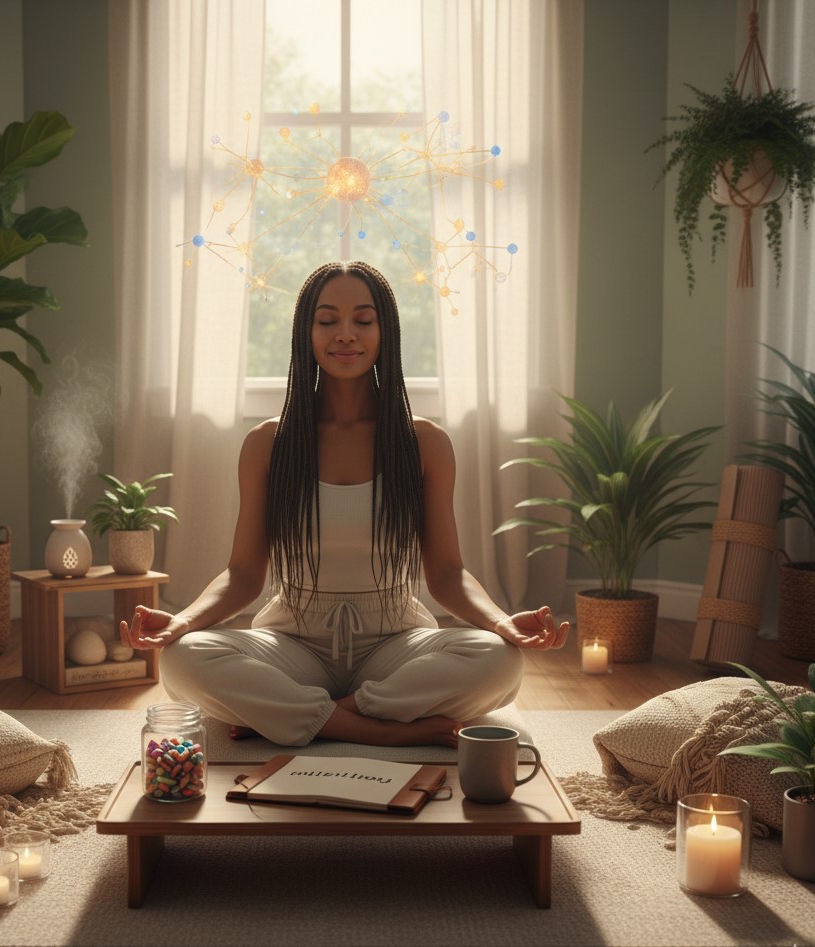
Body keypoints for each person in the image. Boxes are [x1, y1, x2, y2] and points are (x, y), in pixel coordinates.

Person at [119, 261, 569, 748]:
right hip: (291, 644)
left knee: (500, 661)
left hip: (396, 642)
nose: (346, 335)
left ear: (385, 332)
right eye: (328, 320)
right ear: (306, 332)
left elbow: (447, 573)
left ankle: (311, 716)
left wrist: (503, 624)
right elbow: (245, 573)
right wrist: (182, 622)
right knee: (182, 659)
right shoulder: (267, 443)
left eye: (363, 320)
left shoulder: (425, 443)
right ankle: (384, 731)